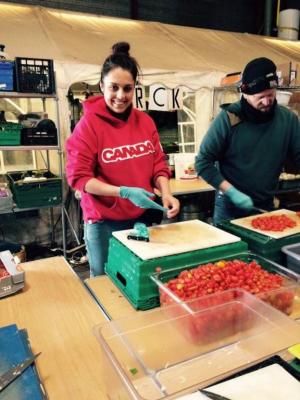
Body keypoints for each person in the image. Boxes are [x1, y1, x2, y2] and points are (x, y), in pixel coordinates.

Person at [66, 41, 180, 276]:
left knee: (137, 278)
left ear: (135, 88)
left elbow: (159, 163)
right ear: (101, 86)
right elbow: (79, 178)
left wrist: (166, 193)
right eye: (113, 87)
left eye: (127, 89)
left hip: (139, 219)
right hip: (103, 223)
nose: (120, 96)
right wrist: (124, 192)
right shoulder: (88, 126)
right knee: (107, 282)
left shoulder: (145, 121)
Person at [195, 57, 300, 225]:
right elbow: (202, 163)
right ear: (244, 93)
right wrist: (231, 192)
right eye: (260, 97)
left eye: (271, 95)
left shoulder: (288, 120)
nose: (266, 102)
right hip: (229, 209)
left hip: (265, 206)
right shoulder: (228, 119)